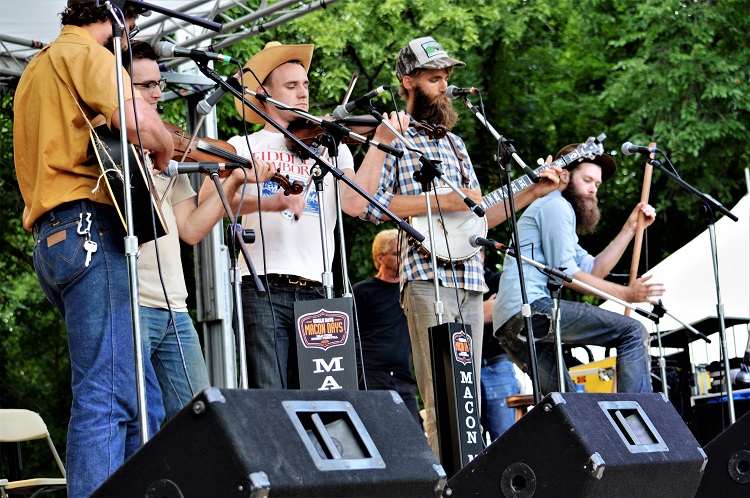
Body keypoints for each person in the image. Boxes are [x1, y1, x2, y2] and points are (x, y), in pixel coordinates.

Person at [343, 36, 560, 454]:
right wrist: (434, 200)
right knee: (441, 395)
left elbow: (479, 213)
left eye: (446, 78)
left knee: (467, 396)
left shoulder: (455, 144)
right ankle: (447, 482)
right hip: (425, 277)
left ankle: (466, 475)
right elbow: (365, 205)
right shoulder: (392, 136)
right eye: (434, 78)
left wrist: (533, 191)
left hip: (470, 278)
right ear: (408, 82)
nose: (444, 87)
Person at [13, 1, 174, 495]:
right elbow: (143, 125)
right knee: (106, 397)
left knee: (135, 395)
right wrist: (163, 151)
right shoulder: (91, 55)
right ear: (119, 16)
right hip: (89, 230)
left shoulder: (34, 69)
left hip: (52, 240)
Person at [203, 41, 402, 389]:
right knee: (272, 398)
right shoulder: (242, 146)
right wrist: (270, 201)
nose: (303, 94)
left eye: (305, 85)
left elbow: (356, 206)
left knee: (324, 402)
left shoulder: (329, 146)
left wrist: (378, 145)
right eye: (291, 87)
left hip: (318, 290)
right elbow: (210, 203)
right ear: (264, 94)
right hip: (261, 286)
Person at [124, 41, 275, 419]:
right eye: (146, 86)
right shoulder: (113, 148)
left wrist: (236, 179)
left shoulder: (167, 150)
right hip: (132, 304)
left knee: (200, 419)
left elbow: (190, 229)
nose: (158, 93)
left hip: (175, 306)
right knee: (140, 419)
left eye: (159, 83)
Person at [493, 144, 666, 395]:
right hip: (531, 309)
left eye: (597, 184)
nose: (593, 189)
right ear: (564, 175)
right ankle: (639, 423)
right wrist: (626, 294)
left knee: (569, 405)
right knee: (632, 331)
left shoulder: (556, 212)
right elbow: (567, 273)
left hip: (510, 322)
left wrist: (630, 229)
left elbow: (592, 270)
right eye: (587, 180)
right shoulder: (556, 205)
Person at [353, 229, 422, 426]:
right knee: (378, 434)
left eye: (404, 252)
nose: (402, 257)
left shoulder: (411, 289)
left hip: (402, 376)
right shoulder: (362, 291)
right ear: (380, 257)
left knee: (415, 436)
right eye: (396, 253)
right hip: (371, 374)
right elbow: (349, 335)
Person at [480, 266, 519, 441]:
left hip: (497, 364)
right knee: (470, 439)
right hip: (464, 369)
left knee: (504, 437)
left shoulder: (499, 280)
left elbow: (501, 311)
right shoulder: (452, 285)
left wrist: (468, 314)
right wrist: (483, 309)